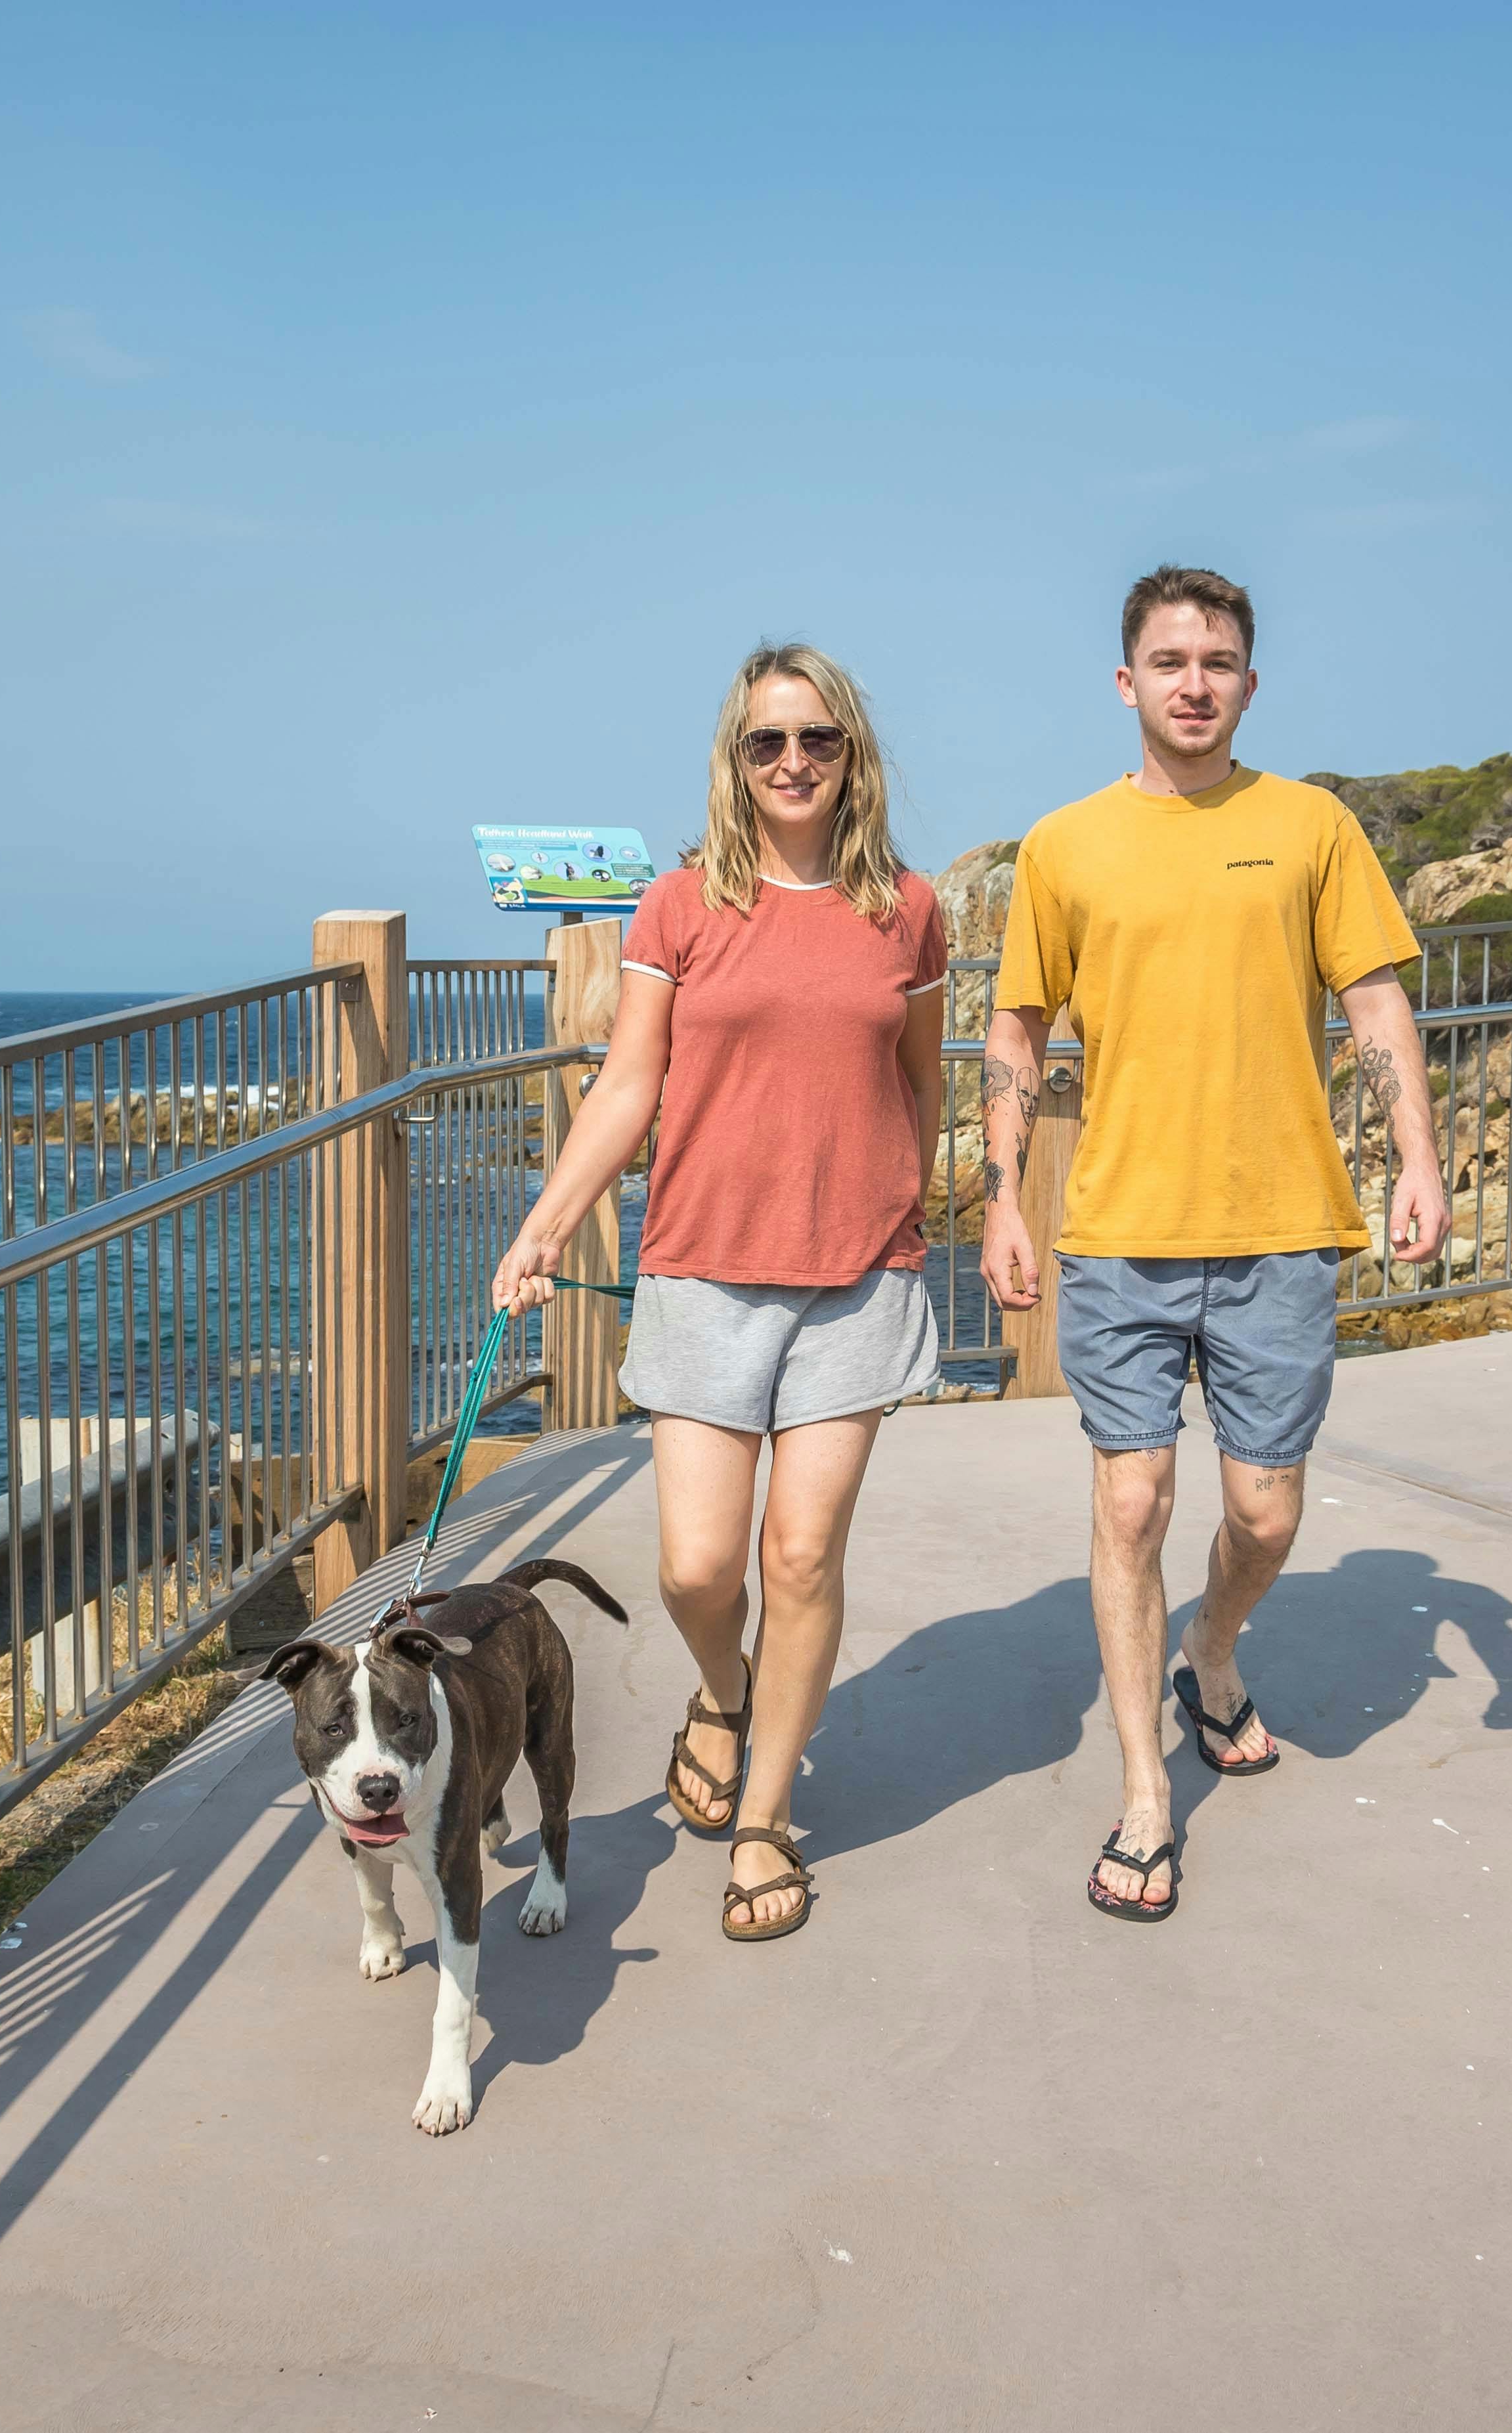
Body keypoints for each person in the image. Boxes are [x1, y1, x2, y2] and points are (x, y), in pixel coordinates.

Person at [976, 565, 1445, 1922]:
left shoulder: (1311, 828)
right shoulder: (1063, 845)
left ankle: (1213, 1650)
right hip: (1117, 1230)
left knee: (1263, 1512)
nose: (1194, 680)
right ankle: (1142, 1792)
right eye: (1169, 659)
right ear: (1125, 682)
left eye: (1219, 660)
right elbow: (1016, 1031)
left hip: (1280, 1228)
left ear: (1249, 682)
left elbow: (1373, 1003)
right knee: (1131, 1502)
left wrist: (1416, 1157)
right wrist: (1004, 1196)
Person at [492, 644, 949, 1942]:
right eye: (768, 742)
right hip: (697, 1267)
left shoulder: (908, 909)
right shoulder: (680, 906)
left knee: (801, 1554)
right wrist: (547, 1224)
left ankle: (763, 1819)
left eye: (818, 739)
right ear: (734, 760)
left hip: (858, 1276)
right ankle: (725, 1688)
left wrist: (911, 1201)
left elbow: (920, 1077)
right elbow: (628, 1084)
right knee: (700, 1569)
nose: (793, 762)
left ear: (851, 754)